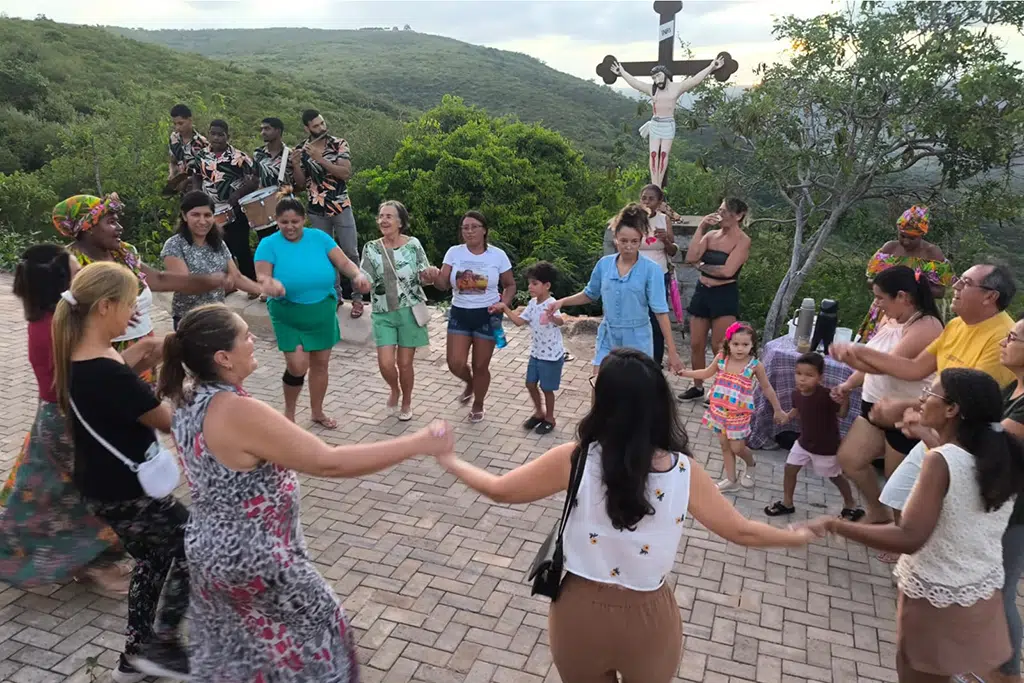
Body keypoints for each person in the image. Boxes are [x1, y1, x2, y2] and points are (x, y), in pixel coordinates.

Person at [433, 347, 817, 683]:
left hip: (578, 614)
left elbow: (500, 490)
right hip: (649, 618)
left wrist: (451, 460)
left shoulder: (575, 459)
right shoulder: (685, 471)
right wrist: (799, 534)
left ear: (605, 402)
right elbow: (743, 532)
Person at [157, 303, 454, 683]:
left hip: (209, 553)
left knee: (240, 654)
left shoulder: (186, 395)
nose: (253, 342)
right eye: (245, 336)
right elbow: (329, 462)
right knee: (321, 641)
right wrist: (418, 442)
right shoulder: (238, 411)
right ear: (223, 358)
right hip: (255, 559)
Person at [813, 369, 1024, 682]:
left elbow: (909, 537)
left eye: (930, 393)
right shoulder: (1001, 454)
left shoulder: (941, 461)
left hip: (935, 599)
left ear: (952, 409)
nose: (921, 399)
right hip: (980, 595)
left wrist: (836, 526)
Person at [52, 262, 190, 681]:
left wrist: (141, 352)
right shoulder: (107, 371)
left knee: (152, 562)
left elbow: (114, 375)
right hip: (127, 492)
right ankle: (162, 646)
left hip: (104, 485)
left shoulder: (82, 353)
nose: (133, 314)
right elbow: (167, 421)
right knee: (194, 544)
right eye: (128, 305)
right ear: (105, 306)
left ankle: (134, 658)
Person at [0, 245, 130, 593]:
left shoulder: (50, 318)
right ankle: (92, 562)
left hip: (59, 417)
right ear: (61, 284)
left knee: (53, 491)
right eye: (77, 273)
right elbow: (96, 373)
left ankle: (92, 556)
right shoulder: (56, 328)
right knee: (83, 493)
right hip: (71, 420)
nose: (83, 277)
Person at [54, 192, 226, 383]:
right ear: (88, 227)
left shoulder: (124, 253)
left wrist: (209, 281)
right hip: (104, 355)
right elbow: (68, 316)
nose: (120, 228)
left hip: (144, 352)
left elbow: (159, 280)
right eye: (111, 222)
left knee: (144, 407)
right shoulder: (70, 265)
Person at [831, 263, 1017, 429]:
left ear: (990, 296)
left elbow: (968, 403)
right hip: (935, 426)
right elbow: (915, 368)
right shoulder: (956, 325)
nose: (955, 286)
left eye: (966, 283)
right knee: (850, 460)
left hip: (960, 438)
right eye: (959, 280)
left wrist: (907, 405)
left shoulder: (1002, 339)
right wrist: (856, 354)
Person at [831, 265, 944, 528]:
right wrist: (848, 384)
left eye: (881, 297)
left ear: (903, 297)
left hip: (904, 413)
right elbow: (874, 358)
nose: (877, 303)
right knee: (850, 460)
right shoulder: (890, 320)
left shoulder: (926, 325)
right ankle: (878, 512)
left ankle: (902, 534)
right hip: (874, 407)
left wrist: (853, 352)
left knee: (898, 481)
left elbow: (889, 363)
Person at [254, 197, 370, 429]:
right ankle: (289, 413)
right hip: (288, 313)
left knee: (321, 364)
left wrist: (357, 275)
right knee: (297, 366)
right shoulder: (268, 244)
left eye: (295, 221)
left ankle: (317, 412)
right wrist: (270, 284)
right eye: (284, 222)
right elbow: (262, 276)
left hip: (322, 310)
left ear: (303, 219)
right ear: (276, 221)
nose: (290, 227)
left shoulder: (319, 238)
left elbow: (345, 262)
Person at [549, 203, 683, 375]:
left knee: (634, 391)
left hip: (638, 338)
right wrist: (561, 302)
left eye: (634, 241)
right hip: (609, 334)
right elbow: (590, 294)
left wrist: (672, 352)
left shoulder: (651, 270)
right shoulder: (604, 265)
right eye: (624, 241)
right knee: (600, 384)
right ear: (615, 239)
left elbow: (660, 312)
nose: (628, 246)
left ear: (641, 240)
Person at [678, 322, 786, 491]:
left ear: (752, 345)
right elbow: (706, 373)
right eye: (736, 344)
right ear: (728, 343)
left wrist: (778, 409)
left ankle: (750, 464)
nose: (740, 348)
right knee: (724, 444)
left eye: (745, 344)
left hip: (739, 414)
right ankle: (731, 480)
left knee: (737, 447)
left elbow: (767, 387)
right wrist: (685, 373)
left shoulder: (754, 365)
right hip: (718, 410)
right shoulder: (722, 358)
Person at [430, 211, 516, 423]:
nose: (469, 231)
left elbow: (510, 284)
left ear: (484, 230)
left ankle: (478, 403)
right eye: (465, 228)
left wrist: (503, 303)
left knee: (480, 366)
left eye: (474, 227)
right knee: (455, 362)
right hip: (460, 313)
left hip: (486, 314)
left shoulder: (497, 255)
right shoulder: (454, 253)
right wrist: (432, 278)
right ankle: (469, 382)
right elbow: (442, 284)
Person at [359, 200, 438, 421]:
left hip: (409, 312)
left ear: (400, 222)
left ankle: (407, 400)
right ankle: (394, 389)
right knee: (385, 363)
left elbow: (423, 274)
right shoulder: (371, 248)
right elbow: (363, 274)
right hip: (382, 312)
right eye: (381, 216)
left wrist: (430, 274)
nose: (383, 220)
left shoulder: (413, 245)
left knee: (405, 364)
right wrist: (361, 282)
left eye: (389, 216)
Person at [766, 352, 862, 520]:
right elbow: (796, 409)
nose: (802, 379)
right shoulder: (796, 393)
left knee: (835, 477)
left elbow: (842, 414)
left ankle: (851, 505)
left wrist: (845, 399)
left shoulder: (826, 396)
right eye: (798, 373)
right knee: (790, 468)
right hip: (803, 443)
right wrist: (786, 417)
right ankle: (787, 503)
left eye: (809, 375)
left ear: (820, 377)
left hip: (825, 447)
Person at [291, 109, 364, 318]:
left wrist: (320, 158)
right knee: (327, 255)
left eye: (322, 123)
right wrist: (296, 164)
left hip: (341, 206)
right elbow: (299, 184)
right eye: (316, 126)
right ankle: (335, 297)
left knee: (350, 252)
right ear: (307, 128)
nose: (322, 128)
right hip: (316, 209)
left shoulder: (339, 144)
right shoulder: (301, 149)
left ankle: (358, 299)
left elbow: (345, 173)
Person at [679, 198, 752, 402]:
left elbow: (728, 271)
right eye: (719, 210)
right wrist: (701, 226)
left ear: (738, 215)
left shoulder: (742, 240)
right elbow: (691, 257)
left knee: (719, 346)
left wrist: (701, 266)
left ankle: (719, 389)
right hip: (703, 292)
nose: (721, 215)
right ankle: (697, 387)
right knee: (696, 343)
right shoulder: (711, 235)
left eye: (726, 211)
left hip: (724, 295)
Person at [611, 56, 725, 187]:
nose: (657, 80)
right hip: (655, 124)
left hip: (668, 125)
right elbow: (636, 83)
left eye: (658, 76)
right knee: (653, 155)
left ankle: (658, 187)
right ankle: (655, 185)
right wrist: (622, 72)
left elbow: (695, 80)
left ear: (665, 74)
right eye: (654, 78)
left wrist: (711, 67)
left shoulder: (676, 88)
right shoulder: (652, 89)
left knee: (663, 155)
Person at [161, 190, 262, 329]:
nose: (202, 221)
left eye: (207, 215)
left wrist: (263, 289)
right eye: (196, 215)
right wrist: (218, 280)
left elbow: (236, 277)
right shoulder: (174, 245)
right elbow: (185, 284)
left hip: (217, 318)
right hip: (190, 321)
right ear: (185, 216)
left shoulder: (218, 243)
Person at [857, 205, 953, 342]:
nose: (906, 242)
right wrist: (889, 287)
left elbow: (940, 291)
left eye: (912, 238)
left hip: (914, 315)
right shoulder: (889, 248)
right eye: (902, 236)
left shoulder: (932, 253)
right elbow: (869, 281)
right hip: (883, 310)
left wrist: (912, 288)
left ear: (922, 235)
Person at [495, 261, 565, 435]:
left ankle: (550, 418)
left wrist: (552, 317)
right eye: (529, 283)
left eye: (535, 283)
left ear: (547, 285)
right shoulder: (533, 303)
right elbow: (519, 322)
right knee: (530, 383)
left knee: (547, 388)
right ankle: (539, 412)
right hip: (536, 352)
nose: (530, 287)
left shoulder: (551, 303)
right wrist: (505, 308)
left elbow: (560, 321)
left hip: (551, 355)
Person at [991, 317, 1024, 683]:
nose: (1004, 341)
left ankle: (1009, 673)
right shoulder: (1011, 388)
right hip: (1000, 505)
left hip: (1017, 513)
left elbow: (996, 449)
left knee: (1001, 591)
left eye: (1012, 337)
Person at [189, 119, 259, 282]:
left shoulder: (238, 157)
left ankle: (250, 282)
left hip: (235, 210)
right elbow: (196, 176)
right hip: (210, 210)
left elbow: (254, 180)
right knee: (217, 247)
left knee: (240, 247)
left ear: (228, 136)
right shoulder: (201, 156)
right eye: (213, 134)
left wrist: (237, 195)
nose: (216, 138)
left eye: (220, 135)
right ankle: (226, 283)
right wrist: (196, 196)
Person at [167, 103, 208, 183]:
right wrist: (172, 174)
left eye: (181, 123)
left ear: (190, 120)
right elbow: (173, 161)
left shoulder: (202, 142)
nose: (177, 128)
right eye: (175, 124)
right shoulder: (174, 138)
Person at [253, 116, 294, 190]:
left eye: (267, 129)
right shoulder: (258, 153)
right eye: (262, 129)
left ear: (278, 131)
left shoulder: (290, 155)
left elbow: (300, 186)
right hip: (262, 199)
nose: (262, 133)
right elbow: (254, 178)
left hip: (284, 199)